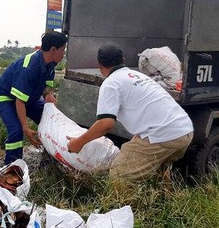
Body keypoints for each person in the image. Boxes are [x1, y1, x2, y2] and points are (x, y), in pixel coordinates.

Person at [67, 45, 194, 185]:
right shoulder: (138, 76)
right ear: (123, 60)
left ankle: (124, 206)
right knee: (156, 173)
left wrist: (78, 143)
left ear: (99, 65)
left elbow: (105, 124)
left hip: (163, 135)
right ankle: (163, 197)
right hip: (184, 131)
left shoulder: (111, 83)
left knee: (120, 177)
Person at [0, 31, 68, 164]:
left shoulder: (51, 64)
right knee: (16, 130)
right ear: (53, 49)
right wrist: (26, 128)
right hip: (5, 96)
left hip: (28, 96)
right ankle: (12, 168)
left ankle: (50, 158)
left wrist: (48, 95)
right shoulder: (29, 67)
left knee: (49, 120)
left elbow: (46, 88)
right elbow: (19, 101)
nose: (64, 53)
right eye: (63, 50)